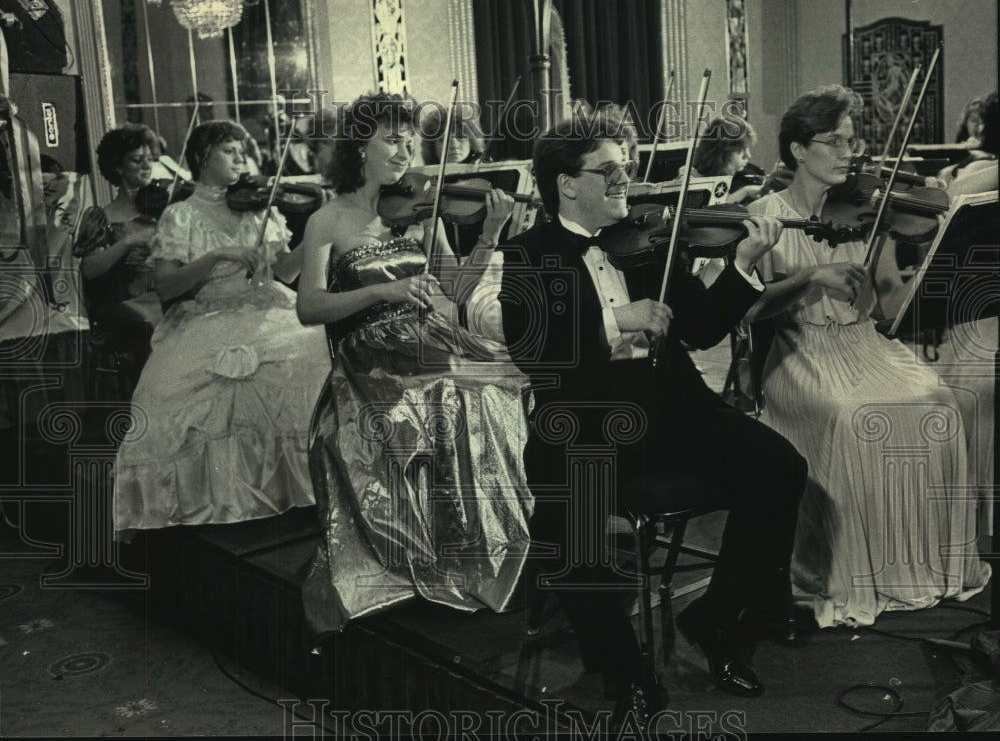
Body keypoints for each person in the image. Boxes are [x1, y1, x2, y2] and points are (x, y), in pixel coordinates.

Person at [498, 116, 807, 713]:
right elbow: (534, 350)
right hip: (583, 423)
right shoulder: (528, 254)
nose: (625, 180)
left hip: (672, 409)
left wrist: (743, 261)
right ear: (566, 184)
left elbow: (701, 326)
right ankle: (623, 668)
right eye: (609, 170)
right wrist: (618, 320)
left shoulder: (647, 243)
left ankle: (716, 619)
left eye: (626, 167)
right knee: (573, 519)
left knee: (779, 466)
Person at [745, 85, 990, 629]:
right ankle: (848, 572)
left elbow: (886, 303)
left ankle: (922, 566)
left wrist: (936, 262)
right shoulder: (763, 216)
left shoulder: (867, 211)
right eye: (834, 141)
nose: (849, 153)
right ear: (797, 150)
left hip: (865, 344)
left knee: (940, 403)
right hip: (798, 350)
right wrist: (809, 277)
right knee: (854, 418)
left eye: (852, 141)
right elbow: (752, 310)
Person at [296, 92, 533, 636]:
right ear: (360, 146)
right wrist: (383, 293)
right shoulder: (328, 220)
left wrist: (492, 235)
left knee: (504, 380)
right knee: (453, 391)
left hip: (428, 336)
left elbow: (457, 286)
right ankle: (449, 555)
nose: (407, 150)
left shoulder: (422, 208)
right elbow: (310, 307)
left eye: (410, 140)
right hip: (370, 355)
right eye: (393, 139)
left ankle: (485, 547)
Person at [113, 120, 329, 531]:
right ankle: (227, 504)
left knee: (311, 362)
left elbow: (283, 274)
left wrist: (316, 235)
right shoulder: (180, 216)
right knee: (201, 391)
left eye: (242, 153)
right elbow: (166, 287)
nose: (240, 160)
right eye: (229, 151)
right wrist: (214, 258)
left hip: (268, 309)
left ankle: (301, 494)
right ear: (201, 157)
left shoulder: (260, 209)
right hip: (207, 315)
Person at [74, 124, 164, 394]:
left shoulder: (164, 211)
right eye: (137, 160)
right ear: (118, 167)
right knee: (150, 323)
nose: (147, 166)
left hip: (163, 294)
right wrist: (126, 242)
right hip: (126, 302)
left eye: (150, 159)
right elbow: (88, 270)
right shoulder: (102, 216)